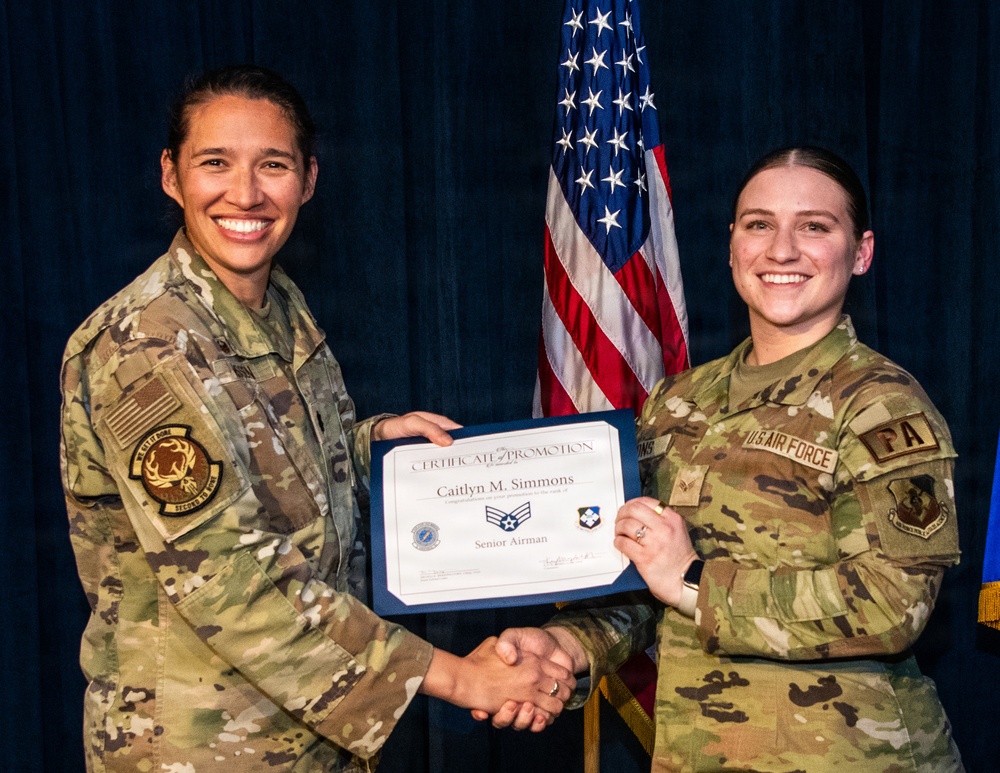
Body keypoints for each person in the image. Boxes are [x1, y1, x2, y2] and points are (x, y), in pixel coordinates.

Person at [59, 64, 571, 772]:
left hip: (307, 737)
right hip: (199, 747)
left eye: (272, 164)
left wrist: (369, 449)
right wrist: (460, 675)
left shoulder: (277, 307)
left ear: (308, 179)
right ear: (171, 176)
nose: (245, 193)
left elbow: (274, 469)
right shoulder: (145, 342)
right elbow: (227, 573)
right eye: (216, 163)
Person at [485, 147, 964, 771]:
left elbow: (893, 605)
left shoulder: (882, 407)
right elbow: (644, 584)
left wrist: (693, 581)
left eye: (815, 227)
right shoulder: (678, 402)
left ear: (862, 252)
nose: (782, 249)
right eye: (759, 224)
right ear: (733, 244)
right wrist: (564, 646)